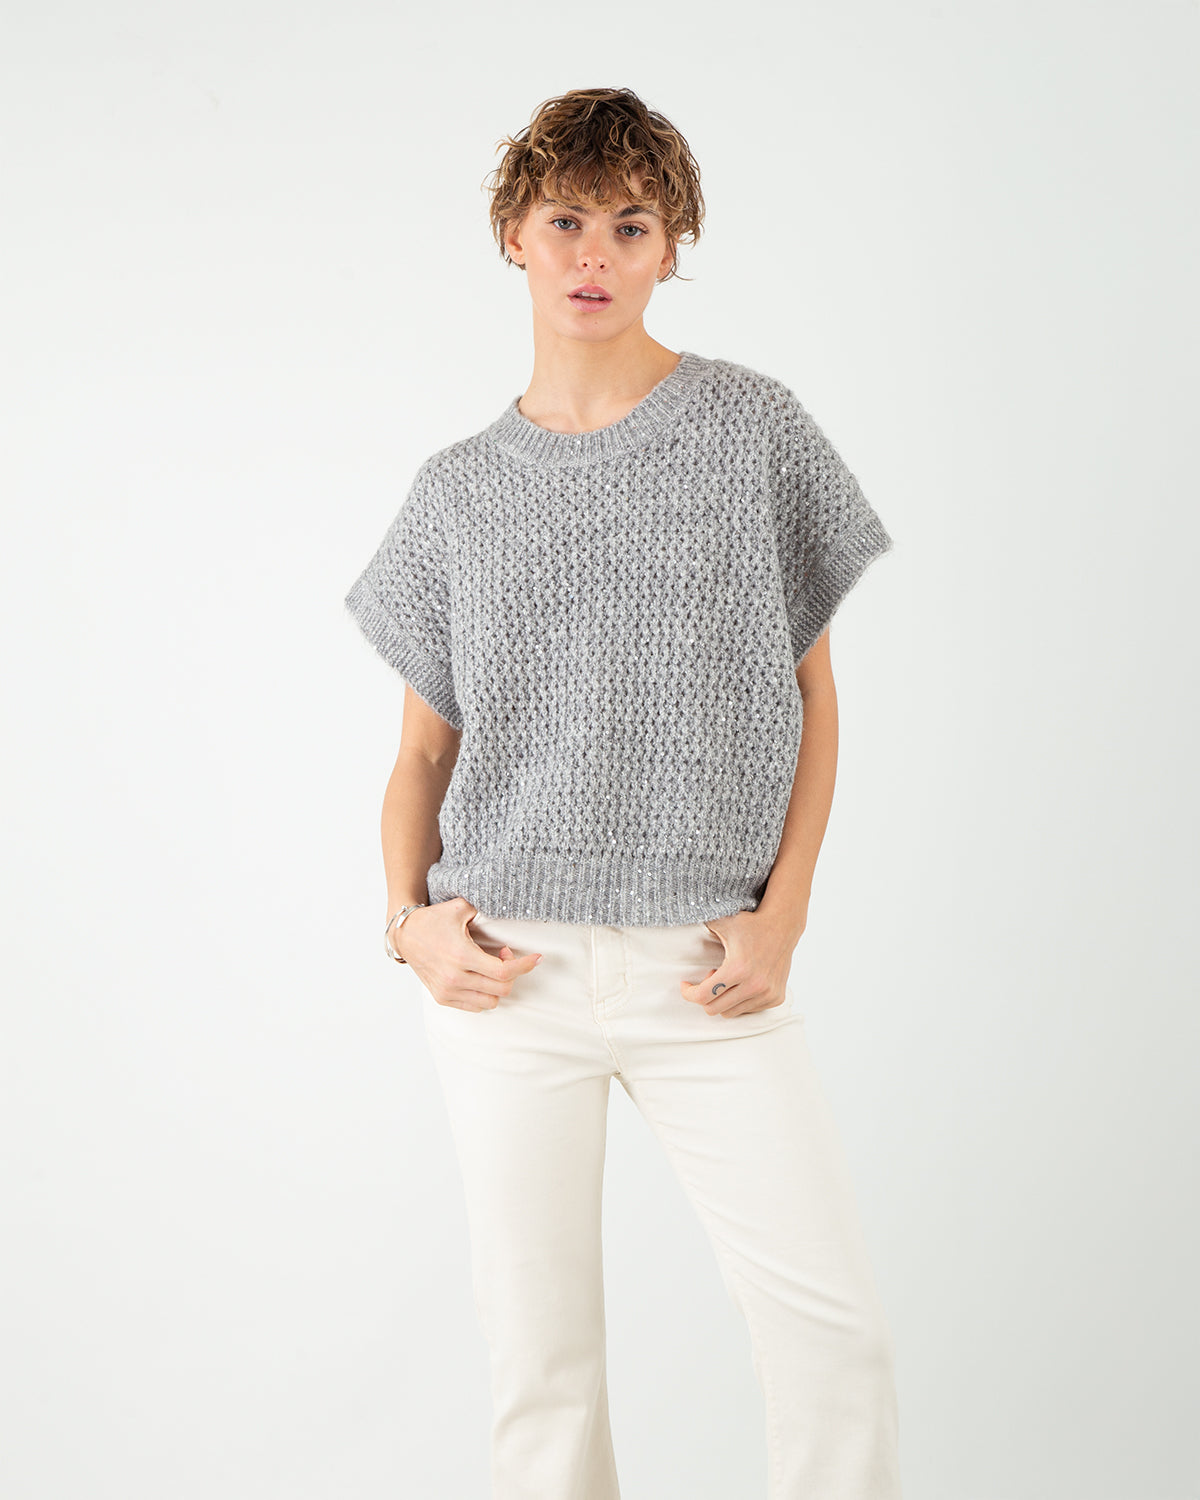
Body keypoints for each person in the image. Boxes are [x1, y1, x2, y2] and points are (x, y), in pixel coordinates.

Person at [344, 85, 904, 1500]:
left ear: (671, 246)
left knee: (833, 1337)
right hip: (505, 976)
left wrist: (784, 914)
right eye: (566, 220)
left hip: (707, 969)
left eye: (632, 224)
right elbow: (422, 756)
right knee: (542, 1372)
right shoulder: (459, 492)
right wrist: (406, 925)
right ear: (514, 237)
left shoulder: (752, 430)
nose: (595, 252)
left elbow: (815, 695)